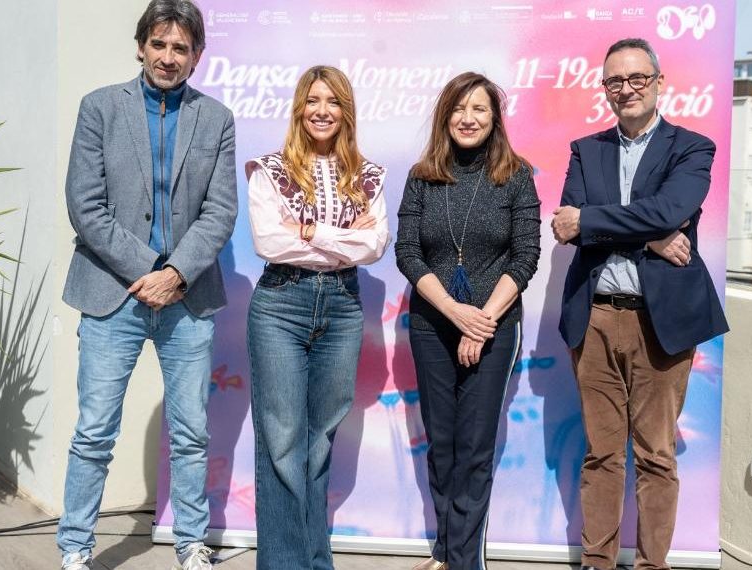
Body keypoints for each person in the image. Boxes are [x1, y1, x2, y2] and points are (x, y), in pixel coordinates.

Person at [56, 1, 237, 569]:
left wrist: (177, 273)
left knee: (190, 435)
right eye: (158, 44)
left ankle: (191, 545)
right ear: (140, 46)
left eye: (180, 48)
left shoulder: (218, 119)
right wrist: (150, 271)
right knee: (94, 432)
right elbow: (86, 207)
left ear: (197, 57)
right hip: (114, 293)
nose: (168, 56)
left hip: (187, 296)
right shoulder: (99, 109)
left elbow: (221, 211)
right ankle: (76, 549)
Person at [550, 38, 729, 570]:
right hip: (596, 317)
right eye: (614, 81)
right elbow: (568, 227)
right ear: (604, 89)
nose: (625, 89)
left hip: (662, 322)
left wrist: (597, 220)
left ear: (658, 82)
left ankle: (654, 565)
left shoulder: (692, 147)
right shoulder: (588, 149)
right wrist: (649, 236)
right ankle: (597, 563)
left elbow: (671, 208)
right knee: (601, 454)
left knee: (656, 455)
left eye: (636, 79)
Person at [244, 65, 390, 570]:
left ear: (346, 112)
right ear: (299, 108)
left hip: (344, 307)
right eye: (313, 100)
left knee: (320, 439)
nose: (322, 110)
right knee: (282, 439)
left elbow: (374, 246)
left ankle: (314, 560)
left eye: (332, 101)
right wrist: (339, 238)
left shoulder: (366, 175)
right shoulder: (270, 169)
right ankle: (285, 564)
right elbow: (269, 241)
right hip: (281, 304)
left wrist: (312, 233)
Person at [396, 72, 541, 570]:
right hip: (432, 324)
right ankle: (445, 548)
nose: (468, 118)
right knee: (443, 444)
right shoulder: (421, 176)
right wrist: (455, 313)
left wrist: (481, 322)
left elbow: (525, 258)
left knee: (475, 447)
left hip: (497, 326)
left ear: (494, 118)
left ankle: (464, 561)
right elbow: (408, 254)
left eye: (479, 108)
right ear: (445, 116)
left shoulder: (516, 176)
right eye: (459, 108)